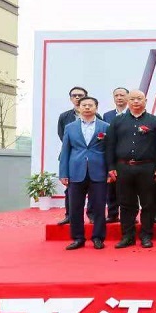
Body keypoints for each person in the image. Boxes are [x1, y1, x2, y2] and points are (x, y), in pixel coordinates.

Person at [105, 90, 156, 248]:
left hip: (147, 167)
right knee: (125, 204)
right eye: (132, 99)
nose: (136, 101)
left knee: (148, 203)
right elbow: (110, 145)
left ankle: (146, 236)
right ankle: (127, 236)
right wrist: (111, 166)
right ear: (127, 101)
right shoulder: (117, 121)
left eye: (139, 98)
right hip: (123, 168)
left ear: (146, 101)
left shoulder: (155, 121)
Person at [58, 96, 109, 250]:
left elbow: (109, 151)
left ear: (96, 108)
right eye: (84, 105)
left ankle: (98, 237)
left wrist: (110, 171)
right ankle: (78, 238)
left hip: (99, 171)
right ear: (79, 108)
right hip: (76, 171)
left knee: (99, 207)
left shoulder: (105, 127)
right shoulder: (70, 127)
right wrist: (63, 173)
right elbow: (65, 151)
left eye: (90, 105)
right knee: (75, 207)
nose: (87, 107)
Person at [56, 86, 97, 225]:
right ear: (71, 98)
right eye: (74, 95)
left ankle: (92, 215)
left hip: (92, 160)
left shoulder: (96, 116)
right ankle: (69, 215)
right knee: (70, 190)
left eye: (81, 95)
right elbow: (63, 136)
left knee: (92, 189)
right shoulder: (64, 117)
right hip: (72, 157)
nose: (77, 97)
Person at [101, 87, 129, 222]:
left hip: (129, 155)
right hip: (112, 154)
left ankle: (128, 215)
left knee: (128, 187)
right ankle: (112, 214)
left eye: (122, 95)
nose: (119, 98)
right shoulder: (107, 115)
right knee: (111, 185)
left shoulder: (133, 113)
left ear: (128, 97)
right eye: (116, 95)